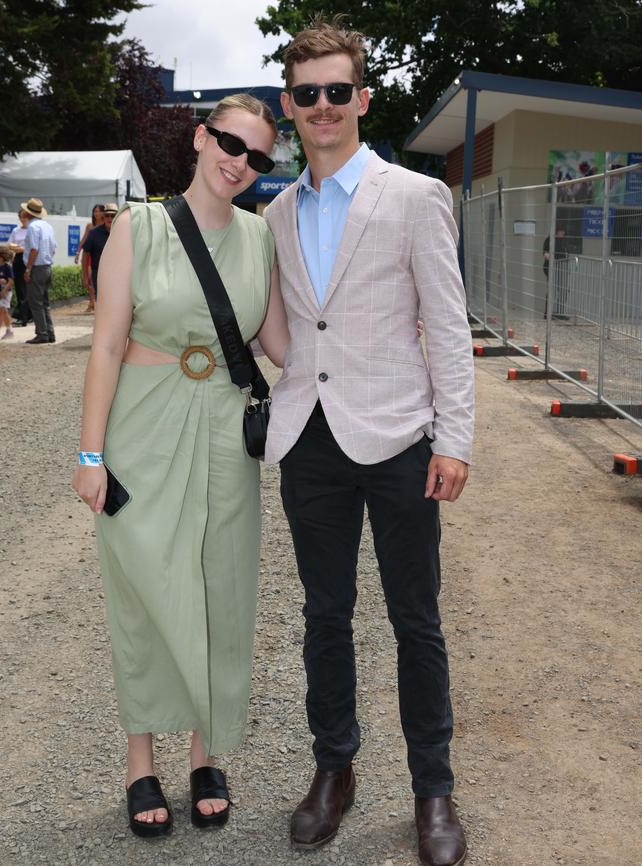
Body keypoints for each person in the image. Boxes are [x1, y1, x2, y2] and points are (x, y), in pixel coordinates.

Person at [263, 18, 474, 866]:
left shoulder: (416, 197)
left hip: (397, 440)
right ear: (290, 105)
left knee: (415, 619)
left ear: (362, 98)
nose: (323, 106)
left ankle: (434, 788)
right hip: (309, 442)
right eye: (307, 93)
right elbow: (284, 326)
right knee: (325, 616)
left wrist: (453, 438)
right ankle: (334, 771)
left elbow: (448, 327)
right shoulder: (275, 211)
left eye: (337, 91)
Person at [71, 93, 289, 839]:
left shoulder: (261, 238)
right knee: (143, 593)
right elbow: (104, 345)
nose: (241, 163)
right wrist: (90, 453)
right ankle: (140, 761)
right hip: (144, 425)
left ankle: (205, 754)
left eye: (259, 157)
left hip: (228, 432)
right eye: (231, 143)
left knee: (222, 591)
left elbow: (282, 344)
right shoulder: (141, 226)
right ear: (202, 137)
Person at [21, 197, 57, 345]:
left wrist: (28, 269)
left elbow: (34, 249)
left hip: (37, 267)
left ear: (28, 213)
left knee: (35, 303)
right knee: (45, 303)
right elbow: (54, 248)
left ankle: (42, 333)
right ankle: (49, 332)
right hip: (47, 266)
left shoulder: (32, 227)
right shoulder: (47, 226)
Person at [81, 203, 116, 303]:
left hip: (119, 275)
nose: (110, 218)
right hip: (99, 275)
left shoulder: (123, 232)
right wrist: (85, 276)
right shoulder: (94, 233)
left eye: (113, 216)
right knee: (103, 303)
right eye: (107, 215)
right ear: (103, 217)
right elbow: (85, 254)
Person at [75, 204, 105, 311]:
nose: (96, 213)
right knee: (90, 278)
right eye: (95, 211)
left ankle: (96, 303)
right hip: (90, 256)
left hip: (101, 256)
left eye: (98, 211)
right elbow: (83, 240)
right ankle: (92, 302)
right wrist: (78, 253)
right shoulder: (90, 226)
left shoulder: (107, 225)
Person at [7, 210, 32, 327]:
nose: (22, 219)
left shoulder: (32, 230)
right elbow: (10, 244)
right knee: (20, 288)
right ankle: (24, 316)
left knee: (29, 288)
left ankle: (26, 316)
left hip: (29, 259)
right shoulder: (16, 230)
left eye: (25, 217)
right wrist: (19, 247)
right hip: (18, 260)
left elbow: (32, 247)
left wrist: (21, 248)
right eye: (20, 217)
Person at [543, 226, 569, 319]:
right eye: (561, 232)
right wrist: (551, 259)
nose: (563, 234)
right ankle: (548, 313)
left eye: (563, 232)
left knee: (562, 290)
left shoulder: (564, 241)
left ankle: (560, 312)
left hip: (561, 268)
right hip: (551, 268)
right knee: (551, 290)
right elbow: (545, 253)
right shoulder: (550, 240)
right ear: (557, 232)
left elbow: (566, 253)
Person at [0, 245, 15, 341]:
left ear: (1, 257)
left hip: (6, 293)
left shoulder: (7, 268)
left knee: (0, 311)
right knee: (4, 312)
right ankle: (9, 331)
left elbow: (11, 281)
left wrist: (4, 290)